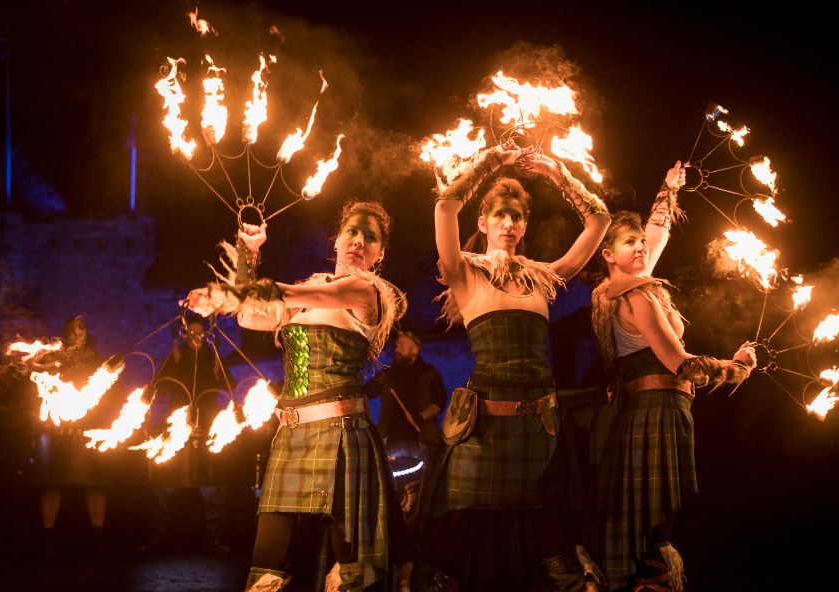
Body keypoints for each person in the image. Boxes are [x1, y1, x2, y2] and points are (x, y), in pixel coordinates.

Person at [417, 142, 611, 591]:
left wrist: (559, 173)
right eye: (500, 214)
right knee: (454, 537)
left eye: (517, 216)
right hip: (482, 430)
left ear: (524, 227)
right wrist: (491, 162)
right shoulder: (464, 271)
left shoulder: (543, 277)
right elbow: (446, 203)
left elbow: (599, 221)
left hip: (538, 431)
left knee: (555, 545)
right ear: (482, 222)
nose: (508, 223)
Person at [186, 200, 407, 592]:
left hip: (341, 435)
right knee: (266, 566)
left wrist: (228, 293)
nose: (358, 241)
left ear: (380, 253)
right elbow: (249, 315)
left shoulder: (364, 290)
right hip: (291, 437)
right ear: (336, 239)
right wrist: (247, 253)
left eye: (369, 237)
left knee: (352, 574)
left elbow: (278, 293)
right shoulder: (312, 291)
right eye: (352, 232)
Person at [587, 163, 757, 591]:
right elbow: (680, 364)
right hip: (654, 411)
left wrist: (667, 190)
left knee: (649, 521)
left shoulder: (619, 288)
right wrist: (736, 369)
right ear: (608, 254)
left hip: (651, 410)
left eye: (641, 242)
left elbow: (656, 234)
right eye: (630, 243)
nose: (641, 248)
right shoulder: (638, 296)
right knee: (652, 526)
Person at [137, 317, 235, 555]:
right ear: (184, 335)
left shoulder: (213, 359)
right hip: (177, 425)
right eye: (191, 332)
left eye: (200, 333)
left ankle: (214, 539)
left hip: (207, 426)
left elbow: (229, 384)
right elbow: (160, 382)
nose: (195, 337)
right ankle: (157, 539)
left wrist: (217, 368)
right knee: (166, 481)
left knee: (211, 482)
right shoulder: (176, 356)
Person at [34, 316, 110, 556]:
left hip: (87, 432)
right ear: (66, 335)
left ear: (87, 334)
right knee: (53, 484)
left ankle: (98, 540)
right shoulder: (54, 360)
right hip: (57, 433)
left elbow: (105, 397)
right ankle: (48, 540)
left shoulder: (97, 362)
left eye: (82, 331)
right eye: (73, 332)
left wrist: (88, 424)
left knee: (95, 485)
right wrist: (55, 424)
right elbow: (41, 394)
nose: (78, 336)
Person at [366, 330, 446, 462]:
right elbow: (366, 392)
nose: (397, 348)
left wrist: (421, 416)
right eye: (397, 345)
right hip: (390, 441)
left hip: (421, 439)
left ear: (415, 349)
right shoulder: (388, 375)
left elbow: (439, 402)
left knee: (421, 479)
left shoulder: (429, 373)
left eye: (402, 345)